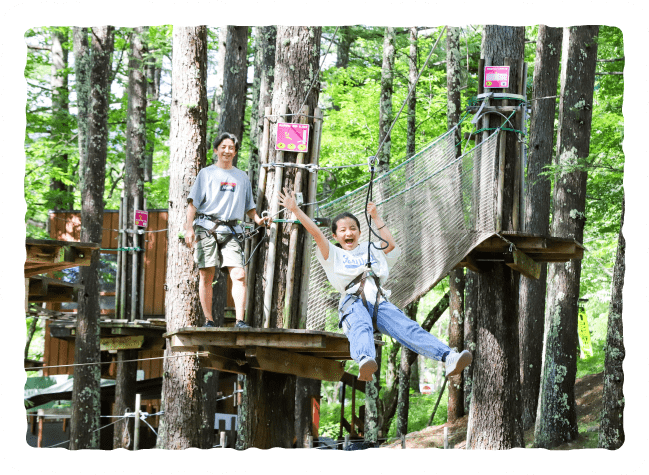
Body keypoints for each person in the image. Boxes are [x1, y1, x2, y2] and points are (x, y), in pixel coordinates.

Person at [278, 188, 472, 382]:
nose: (349, 233)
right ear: (335, 236)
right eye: (343, 230)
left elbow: (390, 245)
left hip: (379, 301)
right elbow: (316, 233)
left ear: (360, 232)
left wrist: (376, 217)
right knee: (361, 325)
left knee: (409, 328)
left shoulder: (370, 248)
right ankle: (365, 359)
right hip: (352, 301)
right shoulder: (332, 255)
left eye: (353, 228)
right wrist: (295, 210)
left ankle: (449, 357)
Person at [185, 132, 269, 328]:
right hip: (206, 227)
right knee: (207, 274)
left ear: (236, 152)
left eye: (231, 147)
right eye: (223, 147)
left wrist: (258, 219)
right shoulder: (206, 173)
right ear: (216, 150)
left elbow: (249, 206)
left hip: (231, 229)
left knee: (239, 274)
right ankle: (209, 320)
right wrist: (188, 228)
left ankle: (240, 320)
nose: (227, 151)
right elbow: (193, 204)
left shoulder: (242, 177)